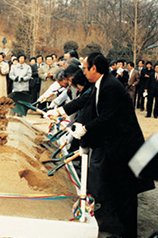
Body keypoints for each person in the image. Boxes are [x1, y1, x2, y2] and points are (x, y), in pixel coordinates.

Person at [46, 52, 155, 238]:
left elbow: (107, 117)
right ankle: (116, 230)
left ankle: (127, 234)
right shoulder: (101, 83)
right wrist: (60, 110)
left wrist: (85, 129)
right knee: (115, 189)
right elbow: (84, 101)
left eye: (85, 68)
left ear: (94, 68)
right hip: (115, 145)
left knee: (126, 193)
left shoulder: (110, 86)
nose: (84, 71)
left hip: (126, 147)